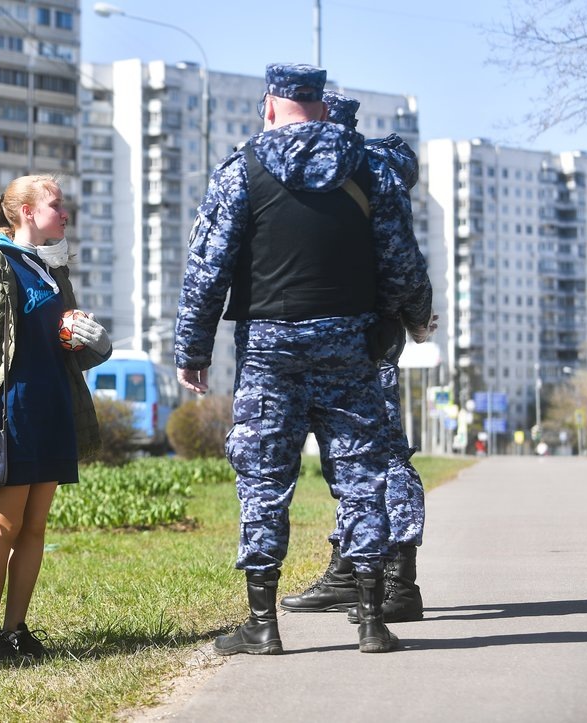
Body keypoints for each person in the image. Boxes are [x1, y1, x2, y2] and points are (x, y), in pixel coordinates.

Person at [175, 64, 434, 655]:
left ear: (270, 106)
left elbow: (206, 268)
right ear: (321, 106)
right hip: (351, 346)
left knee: (264, 481)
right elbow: (402, 260)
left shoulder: (241, 169)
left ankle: (262, 625)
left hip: (269, 349)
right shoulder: (372, 168)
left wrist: (192, 349)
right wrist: (414, 317)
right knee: (362, 477)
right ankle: (371, 620)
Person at [0, 175, 112, 666]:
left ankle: (16, 630)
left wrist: (94, 343)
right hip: (10, 411)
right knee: (5, 524)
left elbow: (64, 348)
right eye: (56, 206)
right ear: (27, 213)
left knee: (35, 526)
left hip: (52, 407)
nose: (65, 214)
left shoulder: (54, 270)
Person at [280, 90, 434, 624]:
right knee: (345, 459)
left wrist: (411, 317)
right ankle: (350, 565)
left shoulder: (367, 177)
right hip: (338, 340)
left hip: (368, 340)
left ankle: (398, 580)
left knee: (384, 454)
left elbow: (403, 263)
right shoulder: (332, 178)